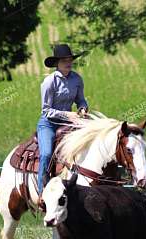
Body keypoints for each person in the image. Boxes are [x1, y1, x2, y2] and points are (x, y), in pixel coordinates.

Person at [37, 44, 89, 201]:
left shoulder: (77, 79)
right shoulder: (49, 82)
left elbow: (81, 99)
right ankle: (42, 192)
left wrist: (83, 108)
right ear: (57, 63)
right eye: (64, 60)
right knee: (46, 154)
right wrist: (69, 114)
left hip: (70, 122)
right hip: (49, 123)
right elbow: (46, 110)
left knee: (86, 146)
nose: (68, 62)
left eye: (70, 59)